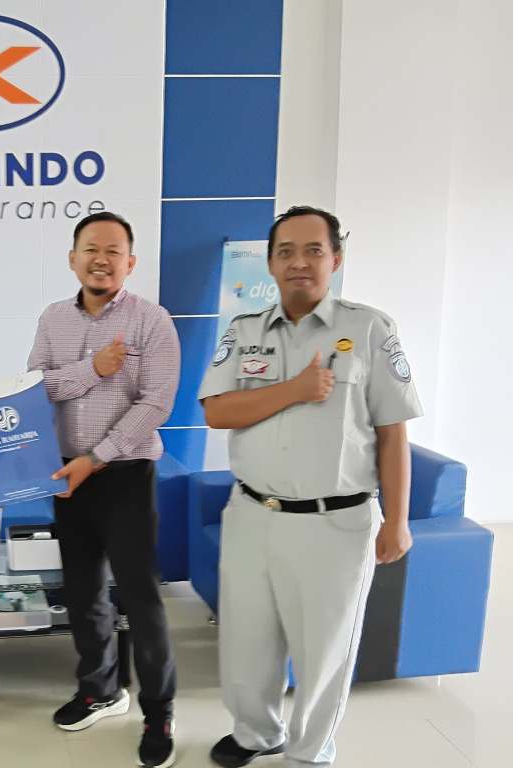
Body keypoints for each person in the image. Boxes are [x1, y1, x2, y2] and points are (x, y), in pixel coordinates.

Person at [199, 206, 423, 768]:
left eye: (313, 250)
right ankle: (255, 734)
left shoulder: (370, 329)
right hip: (252, 514)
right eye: (286, 252)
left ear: (336, 259)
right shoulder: (245, 330)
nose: (299, 262)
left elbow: (393, 434)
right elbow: (217, 411)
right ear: (271, 264)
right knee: (247, 643)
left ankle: (308, 752)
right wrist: (295, 390)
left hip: (335, 522)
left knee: (324, 651)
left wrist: (398, 520)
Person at [27, 211, 181, 768]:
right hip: (67, 476)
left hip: (125, 475)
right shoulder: (52, 319)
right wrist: (93, 368)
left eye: (114, 251)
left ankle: (158, 710)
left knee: (141, 596)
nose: (102, 259)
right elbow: (37, 389)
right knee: (83, 591)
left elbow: (156, 404)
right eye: (91, 248)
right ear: (73, 258)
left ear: (130, 263)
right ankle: (100, 689)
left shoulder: (152, 321)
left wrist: (97, 458)